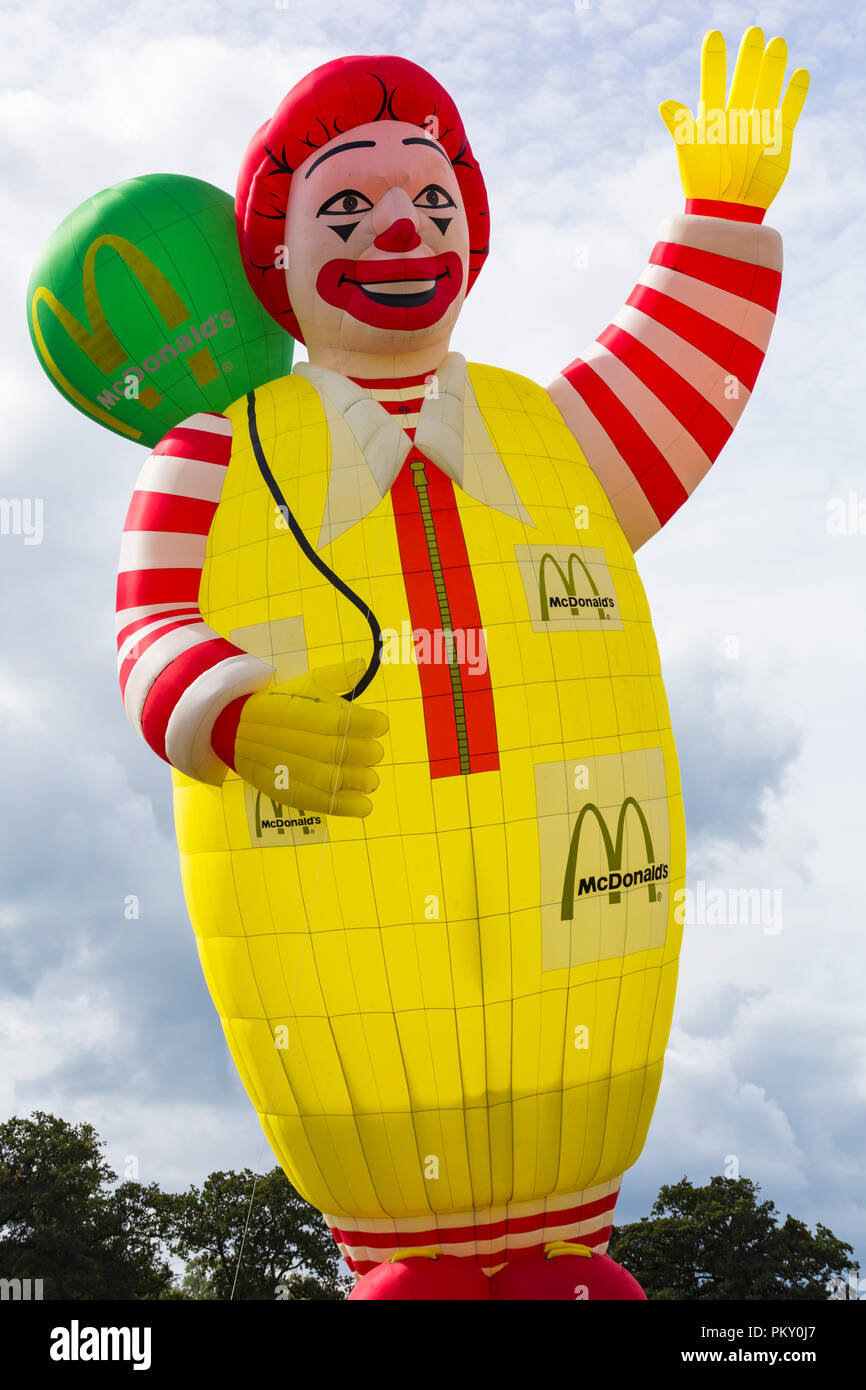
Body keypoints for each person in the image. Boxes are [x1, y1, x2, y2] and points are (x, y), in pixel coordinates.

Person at [115, 37, 807, 1299]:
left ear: (471, 236)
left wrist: (719, 220)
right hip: (329, 960)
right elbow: (147, 624)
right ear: (278, 258)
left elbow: (668, 390)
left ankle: (566, 1253)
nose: (399, 232)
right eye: (348, 207)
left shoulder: (542, 440)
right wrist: (229, 711)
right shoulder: (215, 453)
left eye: (431, 201)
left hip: (578, 925)